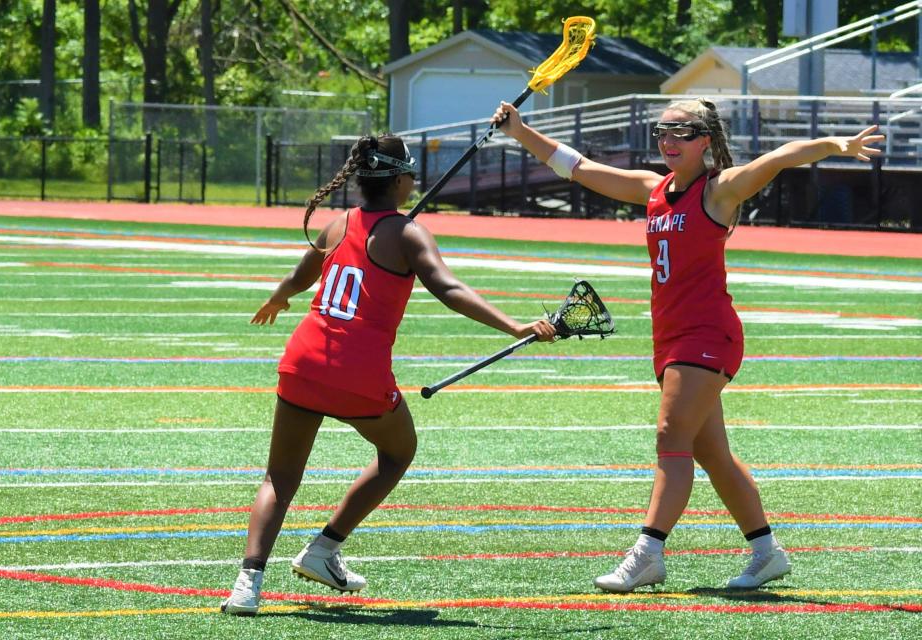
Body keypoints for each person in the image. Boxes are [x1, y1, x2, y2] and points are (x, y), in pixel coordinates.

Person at [491, 98, 883, 592]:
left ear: (706, 140)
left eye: (682, 131)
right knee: (711, 451)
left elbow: (780, 156)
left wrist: (836, 145)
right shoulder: (653, 189)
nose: (669, 140)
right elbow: (580, 168)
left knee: (670, 438)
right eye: (662, 131)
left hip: (706, 333)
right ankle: (766, 552)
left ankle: (647, 553)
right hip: (672, 335)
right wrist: (520, 131)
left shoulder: (719, 190)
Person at [221, 134, 556, 615]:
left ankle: (247, 585)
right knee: (399, 451)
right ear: (400, 180)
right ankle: (323, 548)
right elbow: (449, 288)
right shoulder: (407, 233)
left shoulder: (340, 223)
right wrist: (513, 324)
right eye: (410, 176)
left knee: (280, 477)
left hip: (302, 360)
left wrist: (277, 298)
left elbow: (300, 277)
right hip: (358, 373)